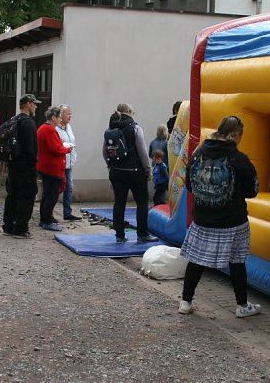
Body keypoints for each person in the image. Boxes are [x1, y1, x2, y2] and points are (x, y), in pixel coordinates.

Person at [178, 115, 261, 318]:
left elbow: (189, 185)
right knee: (236, 262)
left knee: (195, 261)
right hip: (232, 221)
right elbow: (253, 190)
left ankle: (185, 302)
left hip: (202, 219)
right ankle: (242, 306)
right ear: (237, 135)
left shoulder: (198, 154)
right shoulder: (239, 159)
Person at [102, 103, 158, 244]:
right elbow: (142, 152)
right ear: (129, 111)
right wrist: (148, 170)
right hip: (135, 172)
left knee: (119, 203)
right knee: (142, 202)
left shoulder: (110, 129)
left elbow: (105, 151)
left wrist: (110, 165)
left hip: (116, 172)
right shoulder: (135, 128)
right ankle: (142, 234)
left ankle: (119, 235)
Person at [1, 94, 40, 238]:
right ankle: (21, 228)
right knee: (26, 196)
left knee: (12, 195)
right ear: (28, 104)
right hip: (25, 166)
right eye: (34, 104)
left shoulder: (14, 120)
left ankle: (8, 226)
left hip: (13, 164)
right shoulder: (28, 123)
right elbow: (31, 147)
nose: (36, 106)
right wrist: (34, 165)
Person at [37, 106, 72, 231]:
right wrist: (67, 149)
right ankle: (47, 220)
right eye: (59, 117)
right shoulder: (49, 130)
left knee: (46, 194)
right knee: (52, 195)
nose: (60, 119)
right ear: (53, 117)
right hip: (52, 167)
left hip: (45, 166)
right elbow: (55, 149)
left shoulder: (42, 128)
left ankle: (44, 218)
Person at [56, 104, 81, 221]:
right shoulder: (56, 129)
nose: (70, 116)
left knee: (69, 187)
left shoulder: (69, 127)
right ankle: (47, 212)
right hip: (60, 163)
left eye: (71, 113)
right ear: (61, 115)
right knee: (56, 188)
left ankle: (67, 212)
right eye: (68, 114)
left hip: (69, 162)